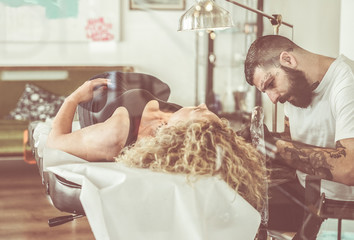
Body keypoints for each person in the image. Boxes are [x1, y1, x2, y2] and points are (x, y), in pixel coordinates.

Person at [46, 71, 267, 210]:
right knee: (163, 87)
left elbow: (55, 142)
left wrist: (74, 97)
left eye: (201, 112)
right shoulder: (176, 121)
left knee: (156, 87)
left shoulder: (116, 133)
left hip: (99, 93)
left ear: (185, 133)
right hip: (137, 89)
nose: (203, 105)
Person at [244, 35, 354, 238]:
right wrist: (257, 142)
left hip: (344, 215)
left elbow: (350, 168)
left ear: (288, 60)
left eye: (270, 84)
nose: (273, 98)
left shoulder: (347, 82)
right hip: (311, 202)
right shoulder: (295, 95)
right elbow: (296, 148)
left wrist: (275, 147)